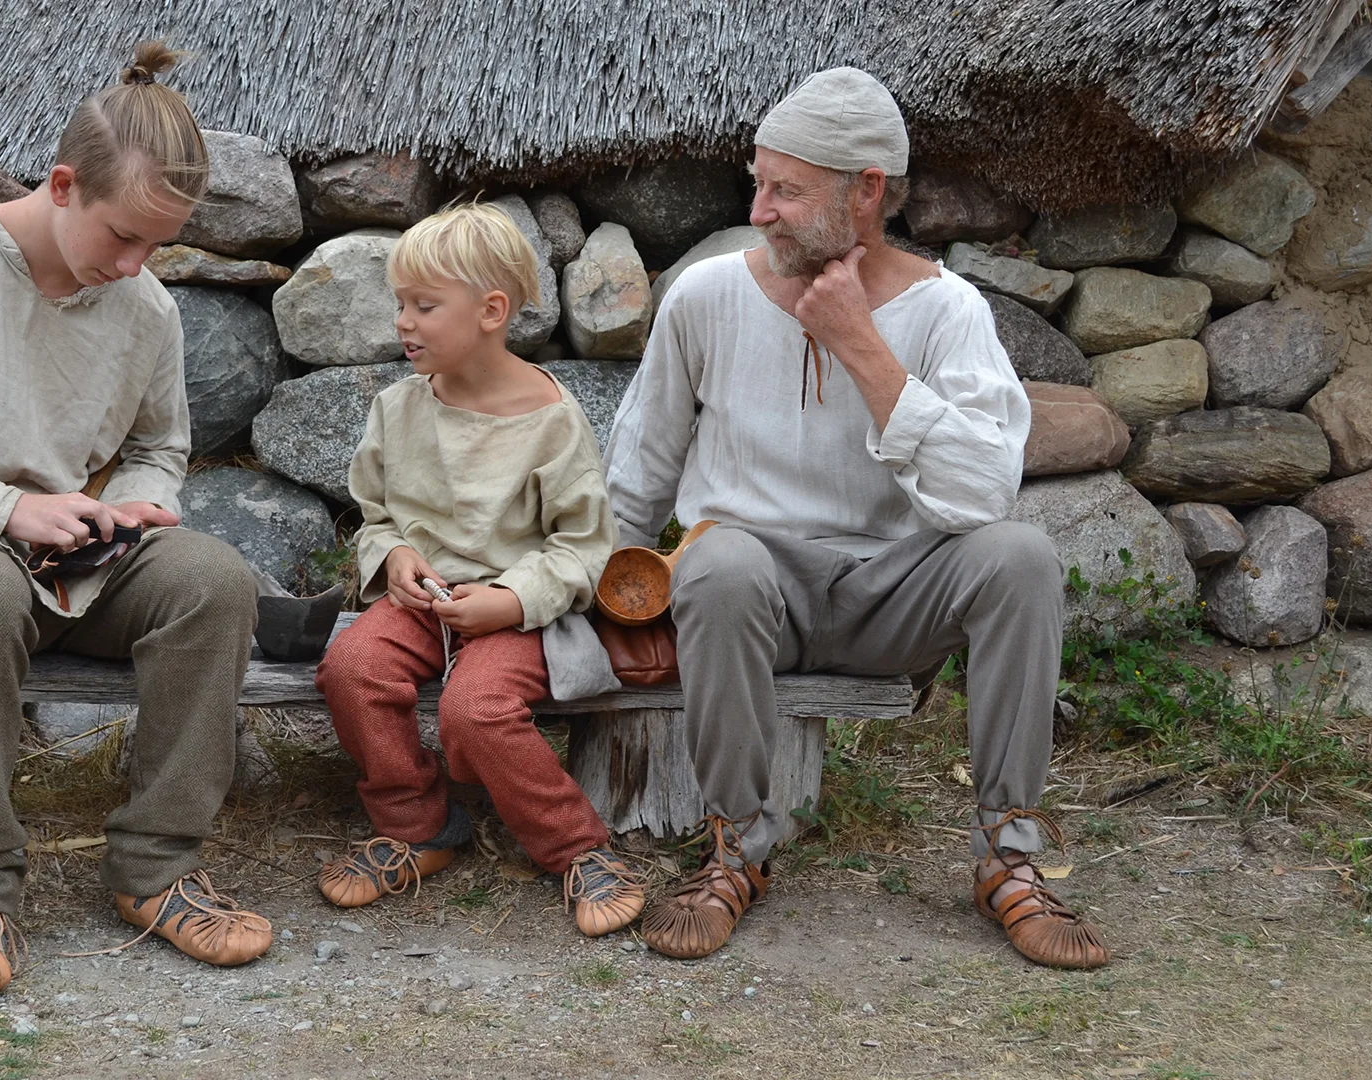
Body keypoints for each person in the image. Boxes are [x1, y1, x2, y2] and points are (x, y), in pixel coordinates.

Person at [605, 67, 1108, 969]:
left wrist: (862, 348)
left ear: (866, 190)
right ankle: (737, 853)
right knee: (716, 564)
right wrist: (604, 580)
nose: (760, 210)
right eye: (758, 183)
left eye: (786, 190)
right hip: (749, 586)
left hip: (892, 594)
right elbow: (640, 467)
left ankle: (1008, 857)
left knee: (1022, 557)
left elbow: (981, 493)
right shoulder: (706, 297)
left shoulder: (949, 310)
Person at [0, 41, 272, 999]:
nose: (137, 264)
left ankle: (155, 867)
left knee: (216, 583)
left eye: (160, 244)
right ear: (63, 185)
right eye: (123, 236)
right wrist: (6, 507)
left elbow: (161, 447)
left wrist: (131, 507)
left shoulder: (145, 306)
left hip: (84, 553)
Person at [313, 203, 645, 937]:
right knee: (352, 667)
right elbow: (377, 517)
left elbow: (585, 548)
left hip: (516, 614)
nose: (404, 322)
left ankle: (576, 848)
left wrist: (509, 598)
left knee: (476, 708)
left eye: (425, 306)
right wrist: (394, 556)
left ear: (492, 310)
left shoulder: (551, 421)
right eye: (399, 304)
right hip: (421, 605)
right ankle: (418, 826)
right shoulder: (399, 410)